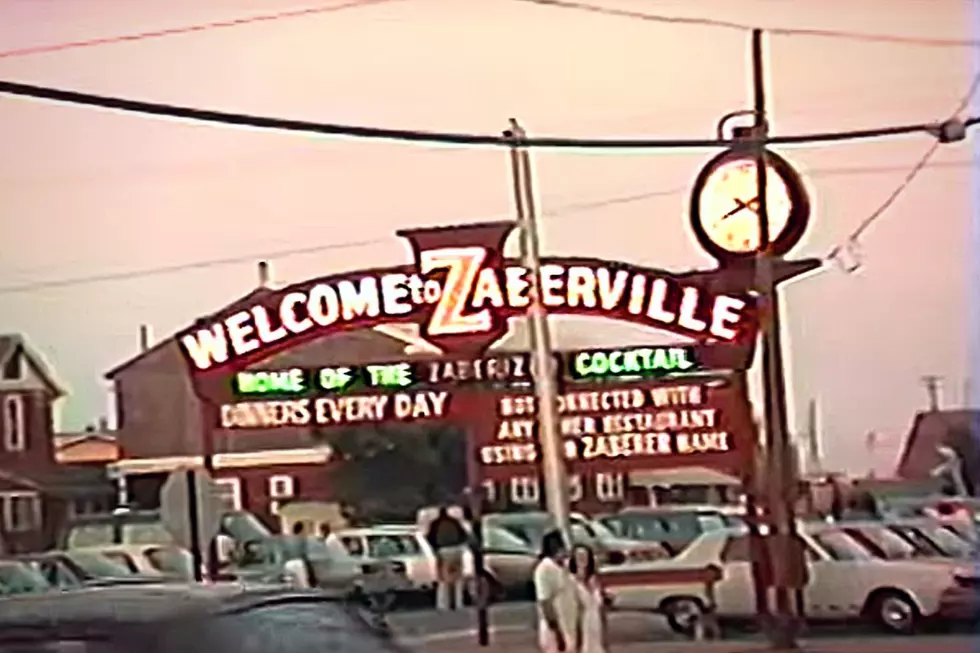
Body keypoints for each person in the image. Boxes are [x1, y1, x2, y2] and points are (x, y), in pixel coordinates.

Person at [534, 530, 580, 653]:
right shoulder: (544, 569)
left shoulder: (565, 567)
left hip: (569, 624)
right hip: (556, 629)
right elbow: (545, 601)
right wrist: (557, 632)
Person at [425, 506, 469, 611]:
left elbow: (430, 538)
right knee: (458, 578)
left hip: (443, 551)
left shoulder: (435, 524)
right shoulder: (454, 522)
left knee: (443, 579)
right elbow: (464, 535)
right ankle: (459, 603)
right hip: (456, 550)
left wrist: (435, 549)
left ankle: (443, 604)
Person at [568, 545, 607, 653]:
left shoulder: (594, 579)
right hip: (582, 625)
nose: (582, 559)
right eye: (579, 556)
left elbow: (600, 607)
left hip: (596, 624)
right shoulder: (571, 581)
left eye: (585, 556)